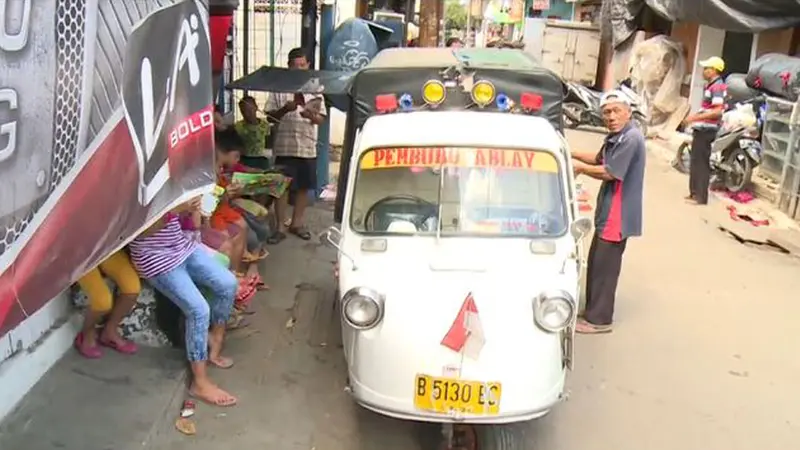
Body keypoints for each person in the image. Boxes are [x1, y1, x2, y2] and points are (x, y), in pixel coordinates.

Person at [129, 199, 238, 407]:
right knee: (199, 311)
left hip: (183, 248)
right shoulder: (137, 189)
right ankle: (200, 382)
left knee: (228, 283)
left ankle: (216, 338)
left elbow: (194, 225)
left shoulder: (172, 180)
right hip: (154, 258)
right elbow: (138, 233)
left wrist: (193, 209)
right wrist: (173, 211)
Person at [570, 91, 646, 334]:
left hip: (618, 212)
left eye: (616, 111)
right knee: (596, 261)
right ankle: (592, 310)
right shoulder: (617, 136)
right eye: (607, 112)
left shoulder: (631, 138)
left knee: (605, 267)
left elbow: (611, 172)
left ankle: (599, 320)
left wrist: (580, 168)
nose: (611, 116)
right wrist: (567, 152)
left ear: (628, 112)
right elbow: (596, 158)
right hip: (608, 210)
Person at [265, 47, 326, 242]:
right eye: (295, 65)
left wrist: (311, 114)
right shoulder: (278, 88)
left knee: (303, 187)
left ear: (308, 65)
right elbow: (269, 117)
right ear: (288, 66)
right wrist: (285, 108)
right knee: (280, 187)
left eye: (302, 65)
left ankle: (297, 224)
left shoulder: (315, 89)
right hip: (284, 146)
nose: (299, 68)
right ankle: (280, 227)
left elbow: (321, 119)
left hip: (307, 147)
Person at [74, 250, 141, 358]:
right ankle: (87, 334)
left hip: (105, 245)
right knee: (102, 302)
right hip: (78, 252)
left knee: (132, 288)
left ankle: (110, 331)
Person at [683, 56, 727, 206]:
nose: (703, 71)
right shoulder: (711, 86)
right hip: (701, 128)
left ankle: (700, 197)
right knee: (695, 161)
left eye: (706, 68)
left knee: (701, 163)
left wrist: (693, 118)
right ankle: (694, 193)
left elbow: (717, 111)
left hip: (707, 130)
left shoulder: (718, 87)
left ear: (714, 70)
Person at [234, 96, 272, 170]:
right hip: (245, 159)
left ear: (256, 108)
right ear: (241, 112)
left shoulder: (265, 125)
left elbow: (268, 144)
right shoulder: (238, 126)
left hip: (262, 159)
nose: (249, 113)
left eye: (251, 109)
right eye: (245, 111)